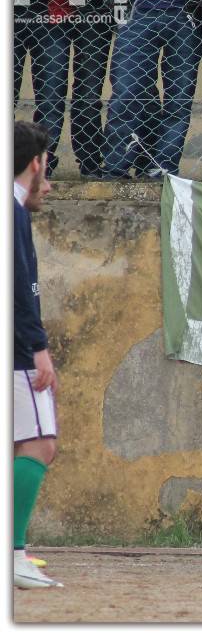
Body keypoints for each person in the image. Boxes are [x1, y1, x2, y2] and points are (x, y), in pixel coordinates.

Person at [13, 121, 61, 589]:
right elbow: (21, 289)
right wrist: (39, 349)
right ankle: (14, 551)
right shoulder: (14, 211)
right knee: (40, 442)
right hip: (16, 351)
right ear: (35, 162)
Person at [103, 0, 202, 179]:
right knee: (127, 92)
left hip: (185, 16)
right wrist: (118, 10)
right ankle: (115, 167)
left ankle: (162, 169)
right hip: (136, 13)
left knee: (178, 100)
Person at [34, 0, 116, 179]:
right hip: (47, 11)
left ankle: (89, 162)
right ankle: (43, 162)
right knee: (50, 94)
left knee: (89, 94)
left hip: (95, 7)